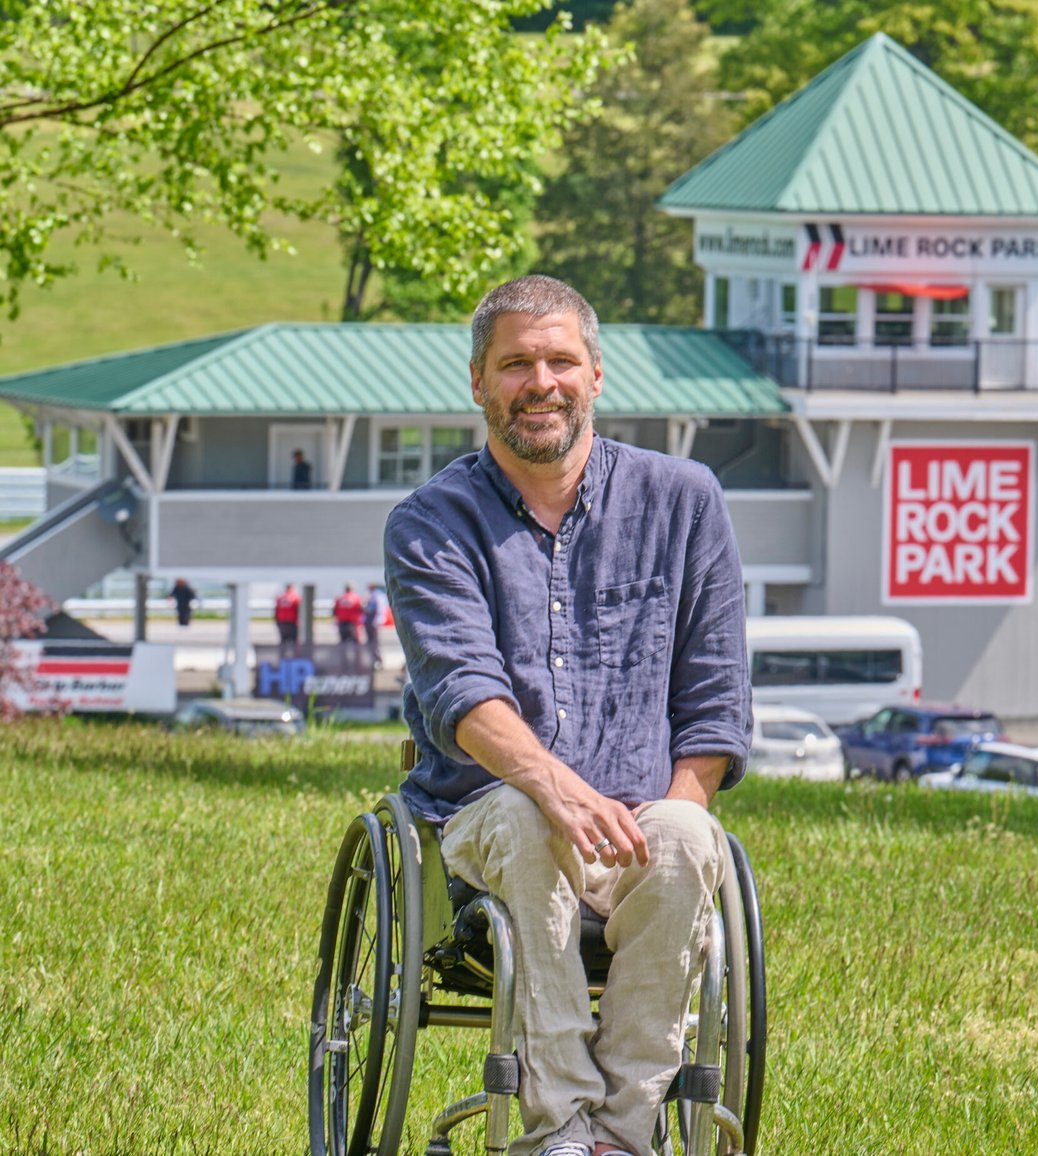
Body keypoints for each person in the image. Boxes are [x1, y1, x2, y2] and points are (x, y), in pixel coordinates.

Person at [385, 274, 750, 1156]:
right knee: (524, 810)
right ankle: (556, 1130)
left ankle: (625, 1133)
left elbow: (714, 702)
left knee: (691, 840)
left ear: (595, 375)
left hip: (632, 827)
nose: (539, 382)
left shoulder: (683, 500)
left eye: (559, 361)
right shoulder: (430, 523)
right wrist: (556, 790)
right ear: (479, 382)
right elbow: (461, 692)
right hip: (482, 825)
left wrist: (671, 839)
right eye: (516, 364)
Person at [362, 582, 386, 668]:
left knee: (375, 642)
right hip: (368, 621)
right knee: (370, 641)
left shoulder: (378, 596)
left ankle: (378, 660)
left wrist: (377, 621)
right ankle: (373, 660)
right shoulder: (369, 595)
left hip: (374, 622)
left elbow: (380, 609)